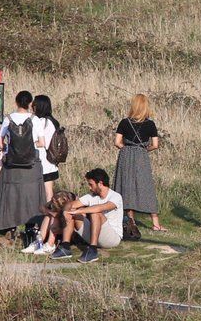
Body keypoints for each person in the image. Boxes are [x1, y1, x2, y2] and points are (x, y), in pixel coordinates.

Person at [0, 91, 47, 244]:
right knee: (32, 196)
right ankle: (31, 227)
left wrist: (13, 148)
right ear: (30, 104)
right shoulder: (34, 120)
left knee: (11, 195)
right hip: (31, 164)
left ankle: (10, 226)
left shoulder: (8, 119)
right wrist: (29, 146)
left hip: (12, 165)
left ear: (16, 102)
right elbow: (42, 143)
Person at [113, 93, 165, 233]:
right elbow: (155, 145)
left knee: (127, 186)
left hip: (126, 155)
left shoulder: (124, 122)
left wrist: (127, 149)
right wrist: (143, 150)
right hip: (142, 155)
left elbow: (117, 142)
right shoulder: (150, 124)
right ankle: (155, 223)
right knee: (146, 186)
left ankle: (131, 220)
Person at [52, 168, 124, 263]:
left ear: (100, 183)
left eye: (91, 184)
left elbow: (100, 208)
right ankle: (65, 246)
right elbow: (71, 204)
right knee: (71, 211)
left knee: (95, 213)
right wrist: (66, 211)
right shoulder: (91, 196)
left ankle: (93, 250)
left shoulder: (115, 196)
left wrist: (79, 211)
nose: (89, 188)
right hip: (95, 234)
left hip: (112, 238)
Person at [22, 190, 77, 256]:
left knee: (53, 217)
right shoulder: (54, 201)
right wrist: (49, 212)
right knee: (48, 216)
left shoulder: (70, 205)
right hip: (56, 227)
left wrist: (52, 213)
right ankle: (39, 241)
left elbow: (60, 216)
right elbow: (41, 207)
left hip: (68, 229)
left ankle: (50, 244)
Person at [31, 94, 60, 200]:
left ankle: (47, 213)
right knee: (48, 191)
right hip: (50, 162)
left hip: (44, 161)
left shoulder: (43, 122)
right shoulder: (51, 121)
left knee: (47, 192)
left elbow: (43, 143)